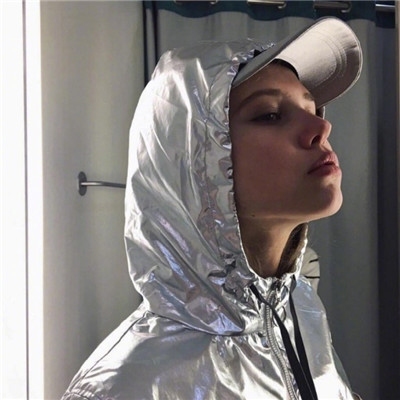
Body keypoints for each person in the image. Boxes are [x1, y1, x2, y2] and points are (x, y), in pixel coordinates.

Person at [62, 17, 362, 400]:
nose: (321, 128)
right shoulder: (121, 390)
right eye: (270, 114)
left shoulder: (300, 308)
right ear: (195, 164)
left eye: (312, 108)